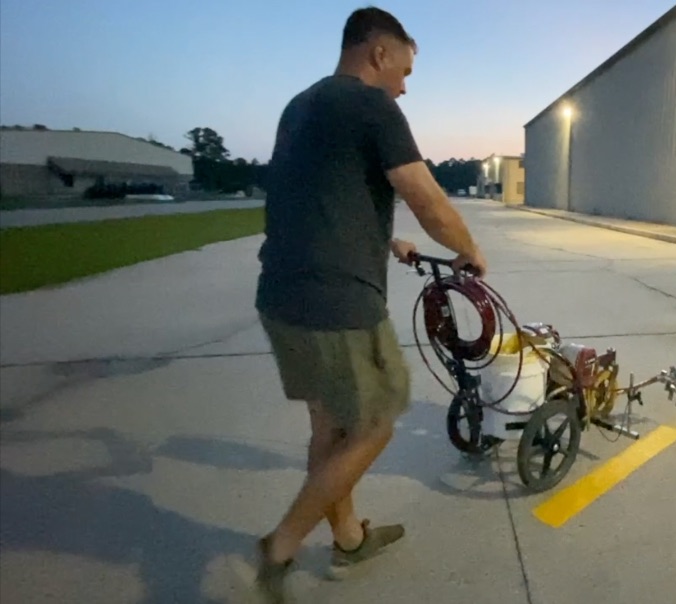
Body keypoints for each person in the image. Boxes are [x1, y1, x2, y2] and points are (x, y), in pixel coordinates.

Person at [251, 6, 487, 602]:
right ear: (379, 53)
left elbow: (310, 198)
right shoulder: (372, 106)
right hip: (337, 302)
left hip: (281, 293)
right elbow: (426, 197)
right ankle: (281, 545)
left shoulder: (301, 106)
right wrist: (468, 250)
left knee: (330, 427)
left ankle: (350, 538)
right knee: (378, 422)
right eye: (405, 69)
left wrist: (385, 240)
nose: (406, 85)